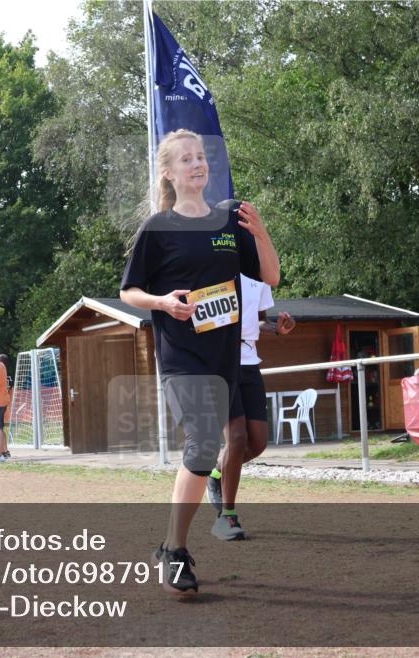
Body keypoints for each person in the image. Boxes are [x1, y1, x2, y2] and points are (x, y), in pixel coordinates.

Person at [119, 129, 279, 594]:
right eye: (186, 159)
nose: (197, 164)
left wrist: (261, 231)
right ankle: (175, 551)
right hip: (180, 356)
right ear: (169, 173)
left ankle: (171, 546)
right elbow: (128, 291)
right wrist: (163, 303)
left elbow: (270, 275)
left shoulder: (230, 224)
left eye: (201, 157)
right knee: (205, 442)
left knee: (214, 445)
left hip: (224, 355)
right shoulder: (158, 228)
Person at [207, 275, 295, 540]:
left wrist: (279, 328)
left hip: (249, 364)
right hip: (219, 365)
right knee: (236, 436)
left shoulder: (259, 276)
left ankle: (216, 474)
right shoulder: (213, 268)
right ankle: (227, 517)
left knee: (256, 443)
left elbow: (259, 321)